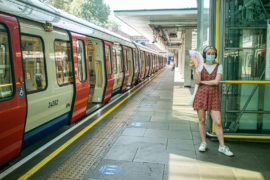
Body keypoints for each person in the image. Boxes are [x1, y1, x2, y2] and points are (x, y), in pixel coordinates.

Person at [192, 46, 234, 157]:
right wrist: (194, 69)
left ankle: (222, 146)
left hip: (213, 96)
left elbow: (216, 82)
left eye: (213, 53)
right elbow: (197, 81)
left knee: (218, 122)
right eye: (208, 53)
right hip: (201, 95)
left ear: (215, 55)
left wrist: (203, 82)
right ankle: (203, 142)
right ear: (204, 55)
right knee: (201, 120)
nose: (211, 55)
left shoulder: (219, 66)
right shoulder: (200, 66)